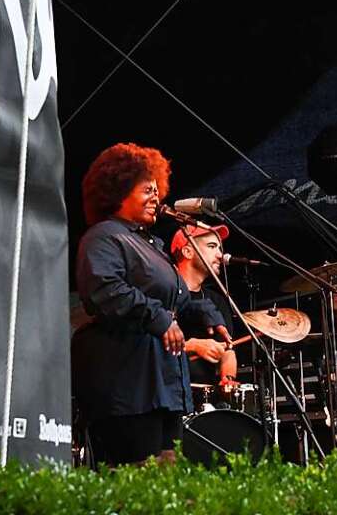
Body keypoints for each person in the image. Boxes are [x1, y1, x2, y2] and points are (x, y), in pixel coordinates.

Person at [73, 143, 229, 465]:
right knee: (136, 472)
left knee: (167, 471)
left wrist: (207, 312)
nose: (156, 198)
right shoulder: (104, 237)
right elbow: (105, 290)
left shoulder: (152, 244)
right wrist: (158, 318)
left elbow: (175, 295)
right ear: (118, 191)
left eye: (158, 190)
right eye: (147, 190)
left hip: (162, 379)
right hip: (128, 379)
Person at [171, 224, 238, 404]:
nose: (220, 255)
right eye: (211, 246)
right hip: (169, 395)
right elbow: (144, 348)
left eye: (220, 248)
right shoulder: (163, 292)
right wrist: (192, 346)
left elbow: (228, 350)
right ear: (187, 251)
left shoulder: (216, 300)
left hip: (206, 400)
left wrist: (228, 380)